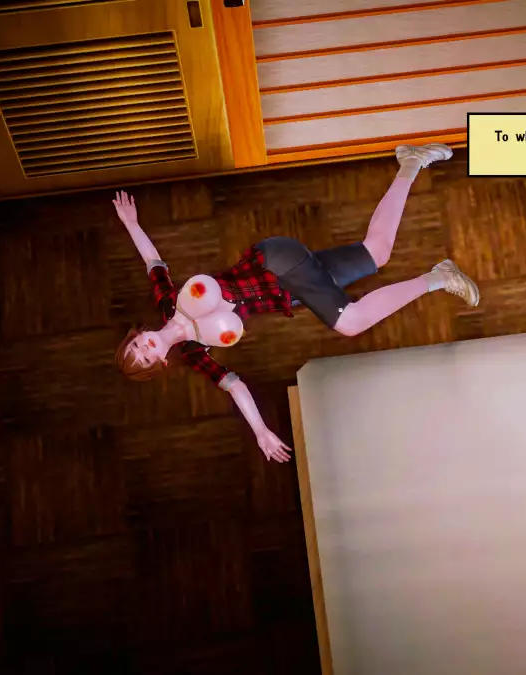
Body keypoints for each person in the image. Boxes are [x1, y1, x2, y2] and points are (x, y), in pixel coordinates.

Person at [114, 144, 480, 462]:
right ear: (159, 363)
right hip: (292, 290)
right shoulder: (195, 353)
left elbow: (153, 262)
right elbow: (235, 386)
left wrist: (131, 223)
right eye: (145, 358)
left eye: (136, 345)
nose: (145, 348)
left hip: (275, 261)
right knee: (377, 252)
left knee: (350, 322)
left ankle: (440, 277)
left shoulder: (167, 301)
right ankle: (411, 162)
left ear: (139, 334)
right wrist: (260, 431)